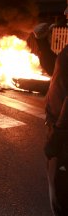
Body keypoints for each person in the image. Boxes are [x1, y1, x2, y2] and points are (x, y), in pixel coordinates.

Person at [44, 44, 68, 215]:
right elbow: (58, 71)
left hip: (64, 130)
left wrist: (58, 133)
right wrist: (42, 44)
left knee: (60, 190)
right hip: (59, 123)